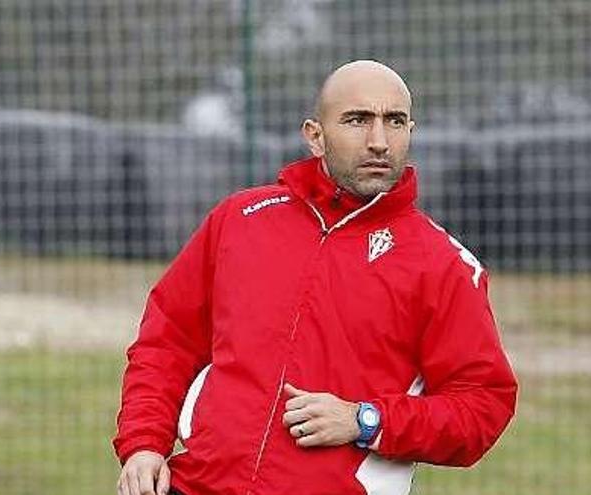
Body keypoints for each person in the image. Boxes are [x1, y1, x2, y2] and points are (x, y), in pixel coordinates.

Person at [113, 60, 517, 495]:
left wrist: (366, 421)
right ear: (315, 136)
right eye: (357, 120)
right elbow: (167, 340)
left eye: (394, 121)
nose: (379, 141)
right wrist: (144, 444)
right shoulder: (239, 220)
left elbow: (482, 405)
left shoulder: (443, 264)